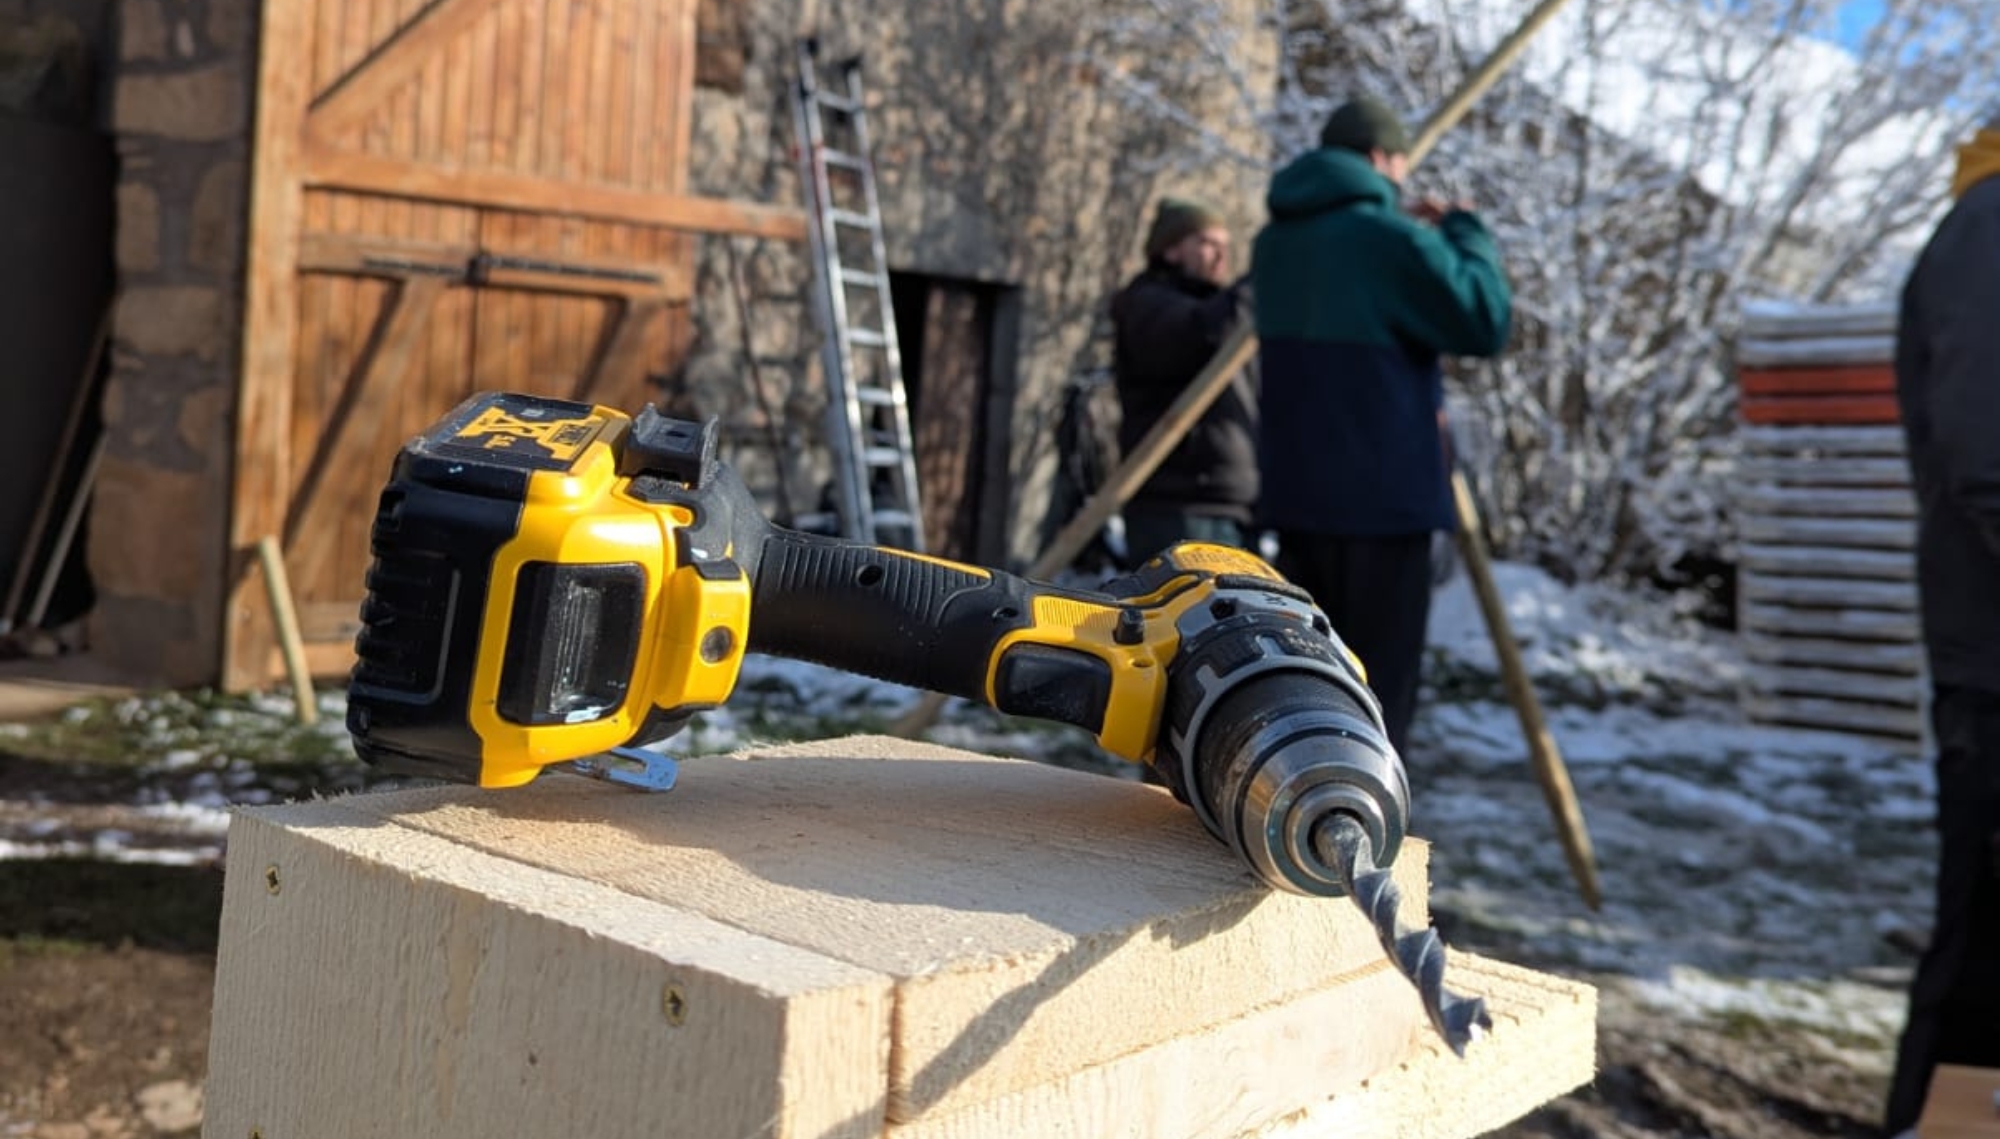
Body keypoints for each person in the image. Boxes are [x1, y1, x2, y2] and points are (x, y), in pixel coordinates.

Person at [1250, 96, 1511, 755]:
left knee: (1313, 684)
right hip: (1384, 501)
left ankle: (1293, 806)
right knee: (1378, 702)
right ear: (1378, 158)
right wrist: (1463, 232)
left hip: (1299, 496)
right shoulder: (1391, 240)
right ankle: (1359, 828)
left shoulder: (1274, 243)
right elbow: (1483, 320)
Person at [1881, 113, 2000, 1139]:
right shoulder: (1991, 223)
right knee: (1977, 939)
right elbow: (1983, 448)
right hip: (1993, 654)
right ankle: (1929, 1124)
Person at [1109, 197, 1259, 563]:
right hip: (1178, 501)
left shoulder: (1224, 308)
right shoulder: (1148, 303)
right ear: (1172, 249)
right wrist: (1262, 282)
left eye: (1226, 246)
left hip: (1231, 502)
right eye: (1208, 244)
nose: (1220, 256)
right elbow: (1199, 334)